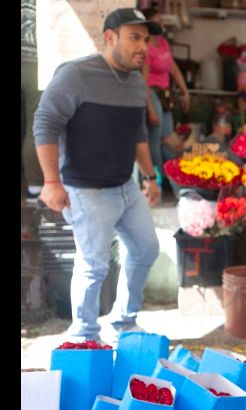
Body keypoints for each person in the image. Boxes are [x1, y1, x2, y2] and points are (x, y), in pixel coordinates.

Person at [33, 8, 162, 343]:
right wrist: (51, 181)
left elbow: (138, 133)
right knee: (94, 266)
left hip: (125, 186)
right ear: (110, 37)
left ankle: (125, 321)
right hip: (85, 189)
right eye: (134, 37)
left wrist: (150, 178)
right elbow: (45, 123)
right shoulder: (76, 75)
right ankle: (85, 334)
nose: (143, 46)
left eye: (146, 39)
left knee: (146, 250)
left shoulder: (136, 82)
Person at [141, 7, 190, 188]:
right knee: (155, 139)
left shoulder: (163, 43)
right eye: (158, 21)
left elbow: (174, 69)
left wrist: (185, 92)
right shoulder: (146, 47)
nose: (161, 25)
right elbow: (144, 81)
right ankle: (157, 181)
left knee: (168, 138)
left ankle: (173, 179)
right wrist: (151, 109)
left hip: (165, 94)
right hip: (152, 93)